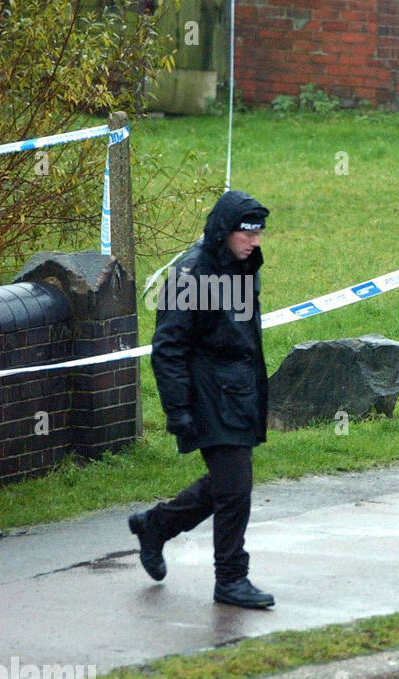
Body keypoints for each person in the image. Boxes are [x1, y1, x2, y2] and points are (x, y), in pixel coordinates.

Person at [127, 189, 274, 609]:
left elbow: (243, 336)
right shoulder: (192, 275)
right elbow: (168, 348)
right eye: (247, 234)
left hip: (241, 390)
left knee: (226, 485)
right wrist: (179, 410)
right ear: (224, 232)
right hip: (208, 395)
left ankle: (154, 526)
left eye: (259, 234)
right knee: (236, 488)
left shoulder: (244, 266)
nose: (255, 242)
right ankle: (231, 578)